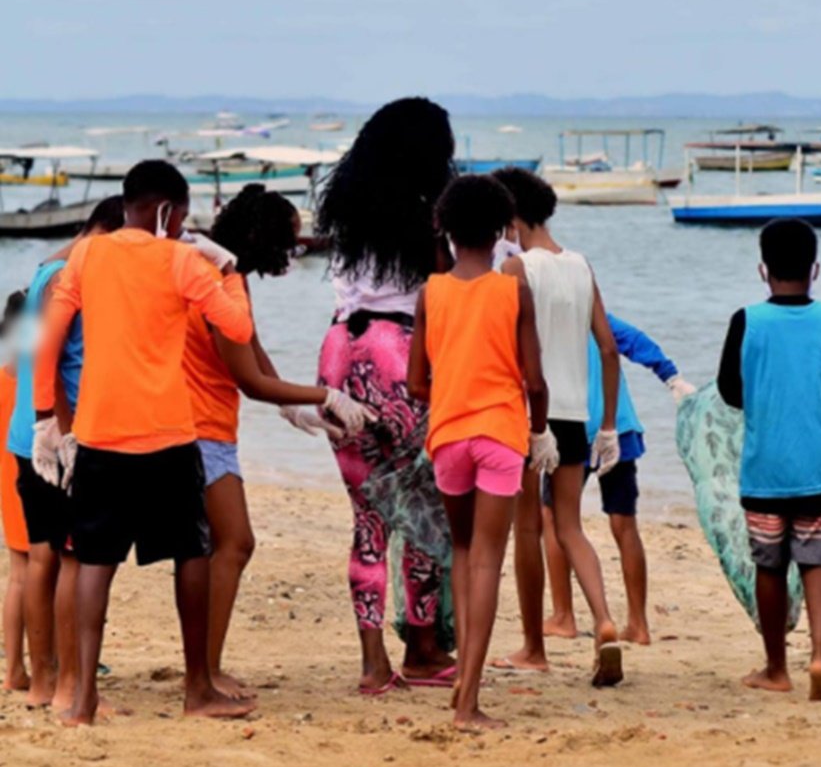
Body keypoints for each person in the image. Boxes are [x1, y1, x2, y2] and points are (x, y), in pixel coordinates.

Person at [32, 160, 258, 726]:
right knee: (191, 554)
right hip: (168, 436)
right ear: (166, 210)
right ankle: (196, 688)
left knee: (95, 564)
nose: (183, 229)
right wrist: (224, 267)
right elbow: (238, 328)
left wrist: (45, 420)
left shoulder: (86, 255)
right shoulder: (182, 258)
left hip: (100, 434)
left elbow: (47, 341)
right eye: (181, 218)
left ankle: (81, 700)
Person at [181, 185, 374, 699]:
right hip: (203, 431)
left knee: (205, 549)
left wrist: (293, 406)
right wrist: (326, 395)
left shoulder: (219, 274)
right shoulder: (225, 282)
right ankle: (206, 670)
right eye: (288, 240)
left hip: (192, 425)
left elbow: (250, 346)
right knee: (235, 542)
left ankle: (202, 666)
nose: (296, 250)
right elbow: (249, 381)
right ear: (260, 236)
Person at [315, 98, 458, 695]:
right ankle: (423, 650)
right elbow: (444, 279)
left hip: (340, 351)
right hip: (400, 349)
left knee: (368, 517)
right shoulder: (428, 213)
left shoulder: (347, 204)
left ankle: (374, 664)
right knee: (423, 508)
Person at [408, 174, 557, 731]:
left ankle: (462, 689)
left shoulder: (430, 291)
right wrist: (538, 430)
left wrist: (454, 389)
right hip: (499, 434)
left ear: (444, 229)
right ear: (501, 232)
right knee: (489, 560)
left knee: (464, 553)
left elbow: (415, 381)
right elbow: (535, 381)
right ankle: (468, 700)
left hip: (448, 436)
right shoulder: (511, 290)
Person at [493, 167, 624, 687]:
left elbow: (509, 349)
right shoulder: (581, 265)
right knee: (570, 527)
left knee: (528, 529)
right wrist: (609, 425)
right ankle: (605, 620)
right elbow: (609, 349)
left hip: (529, 416)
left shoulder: (515, 270)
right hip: (576, 415)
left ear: (511, 215)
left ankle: (533, 647)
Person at [717, 219, 821, 704]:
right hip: (820, 467)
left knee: (769, 566)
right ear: (816, 269)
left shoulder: (746, 320)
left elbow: (731, 391)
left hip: (766, 467)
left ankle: (777, 667)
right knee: (817, 562)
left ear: (762, 269)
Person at [7, 196, 124, 709]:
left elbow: (20, 357)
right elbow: (49, 359)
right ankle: (63, 685)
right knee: (72, 558)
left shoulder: (47, 267)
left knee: (40, 555)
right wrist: (64, 428)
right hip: (58, 431)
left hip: (25, 432)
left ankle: (41, 681)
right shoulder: (70, 275)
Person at [542, 314, 694, 646]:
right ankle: (638, 625)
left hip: (573, 429)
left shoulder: (544, 322)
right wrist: (672, 378)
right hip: (619, 427)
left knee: (554, 518)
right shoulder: (596, 318)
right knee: (625, 526)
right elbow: (637, 342)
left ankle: (563, 615)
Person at [0, 291, 30, 692]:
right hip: (27, 472)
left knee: (19, 572)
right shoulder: (38, 382)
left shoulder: (3, 377)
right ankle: (42, 663)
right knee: (39, 571)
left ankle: (14, 667)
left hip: (7, 477)